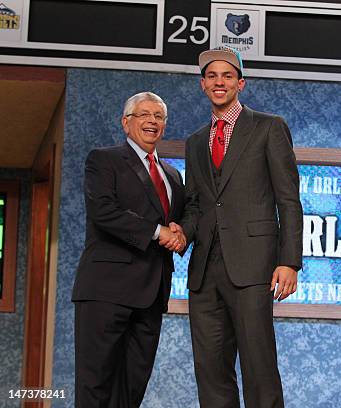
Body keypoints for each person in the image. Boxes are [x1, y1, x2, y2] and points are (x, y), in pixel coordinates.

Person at [173, 47, 303, 407]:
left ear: (240, 83)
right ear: (203, 85)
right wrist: (182, 233)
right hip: (204, 270)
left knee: (258, 366)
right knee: (211, 370)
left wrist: (289, 261)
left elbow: (288, 198)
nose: (219, 82)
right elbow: (197, 204)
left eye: (227, 76)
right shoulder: (195, 141)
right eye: (212, 76)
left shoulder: (268, 127)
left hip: (253, 266)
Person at [72, 92, 186, 407]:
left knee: (132, 388)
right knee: (95, 385)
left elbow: (184, 218)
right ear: (126, 122)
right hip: (106, 291)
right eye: (144, 115)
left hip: (151, 296)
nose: (152, 121)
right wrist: (157, 231)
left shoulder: (173, 176)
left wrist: (183, 231)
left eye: (159, 116)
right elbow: (103, 211)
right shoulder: (103, 159)